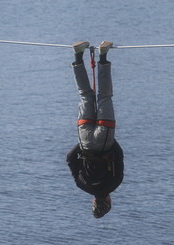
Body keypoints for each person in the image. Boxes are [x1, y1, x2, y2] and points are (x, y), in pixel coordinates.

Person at [66, 41, 124, 218]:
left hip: (104, 139)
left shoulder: (114, 184)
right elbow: (69, 158)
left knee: (104, 97)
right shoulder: (82, 185)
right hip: (84, 140)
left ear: (107, 201)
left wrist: (109, 139)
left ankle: (103, 56)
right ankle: (77, 57)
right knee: (85, 95)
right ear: (93, 202)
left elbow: (119, 155)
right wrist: (82, 145)